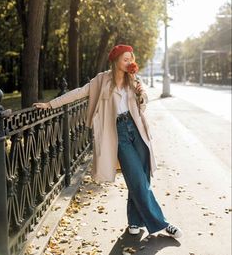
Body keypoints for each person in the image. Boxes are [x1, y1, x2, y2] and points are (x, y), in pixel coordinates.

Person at [33, 44, 182, 239]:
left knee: (141, 178)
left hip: (137, 129)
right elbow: (79, 92)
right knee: (137, 178)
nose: (130, 62)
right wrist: (50, 104)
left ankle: (134, 222)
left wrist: (140, 95)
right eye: (126, 59)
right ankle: (161, 223)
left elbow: (143, 103)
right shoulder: (102, 80)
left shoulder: (134, 80)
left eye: (131, 59)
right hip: (117, 132)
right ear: (116, 61)